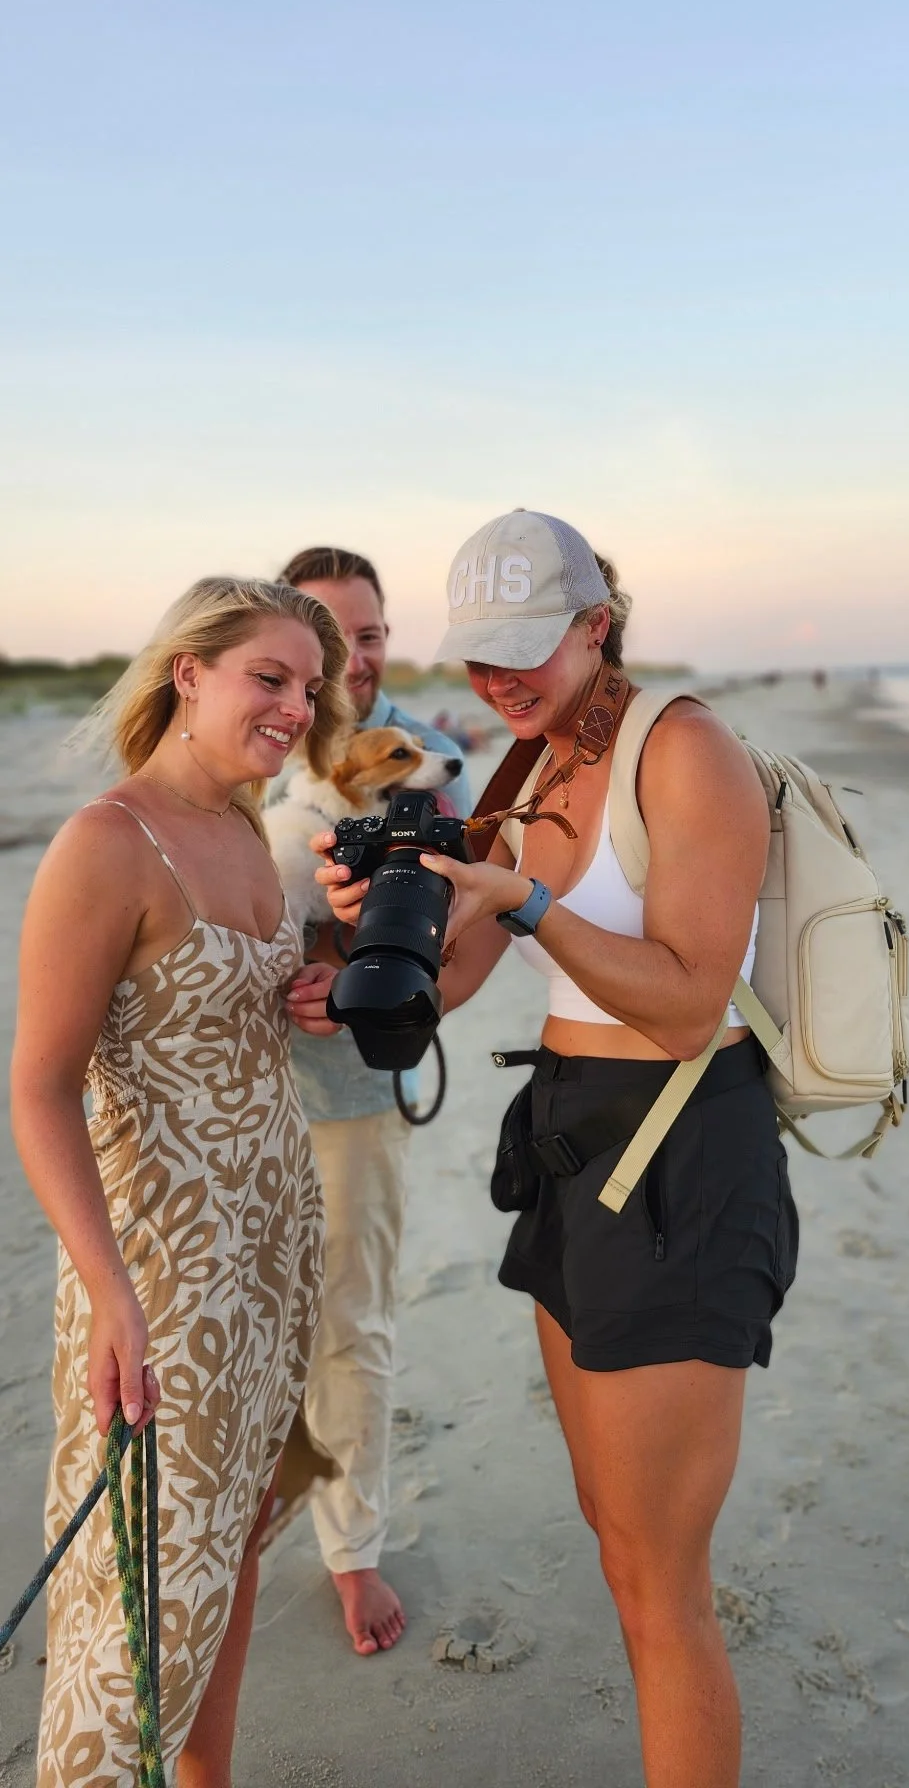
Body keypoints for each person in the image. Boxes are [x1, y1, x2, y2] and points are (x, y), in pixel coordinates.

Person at [308, 510, 799, 1788]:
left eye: (528, 648)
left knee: (662, 1571)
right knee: (612, 1534)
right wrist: (382, 928)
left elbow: (691, 998)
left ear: (599, 622)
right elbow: (459, 981)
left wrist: (519, 894)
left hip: (684, 1147)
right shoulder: (524, 766)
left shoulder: (682, 749)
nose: (500, 681)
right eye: (478, 657)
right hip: (571, 1138)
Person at [10, 577, 350, 1788]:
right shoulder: (109, 841)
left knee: (234, 1536)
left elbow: (216, 1022)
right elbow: (39, 1085)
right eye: (270, 676)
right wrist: (108, 1293)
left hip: (270, 1250)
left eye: (309, 687)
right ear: (186, 673)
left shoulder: (248, 827)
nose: (295, 706)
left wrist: (303, 995)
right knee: (144, 1583)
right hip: (161, 1275)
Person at [273, 544, 472, 1657]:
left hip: (350, 1085)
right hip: (232, 1091)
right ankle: (257, 1492)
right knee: (248, 1322)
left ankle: (351, 1547)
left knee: (351, 1321)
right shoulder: (253, 736)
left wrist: (348, 953)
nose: (356, 653)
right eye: (330, 632)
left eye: (373, 631)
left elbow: (463, 923)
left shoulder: (427, 755)